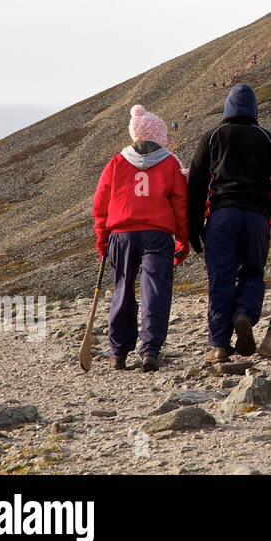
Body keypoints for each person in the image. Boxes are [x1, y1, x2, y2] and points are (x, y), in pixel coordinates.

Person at [187, 83, 271, 363]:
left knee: (220, 278)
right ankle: (244, 314)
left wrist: (194, 226)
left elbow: (196, 185)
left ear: (227, 108)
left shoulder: (212, 137)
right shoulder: (268, 139)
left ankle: (219, 346)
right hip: (257, 218)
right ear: (254, 109)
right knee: (251, 273)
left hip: (221, 216)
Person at [91, 105, 189, 372]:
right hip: (157, 235)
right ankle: (150, 350)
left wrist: (102, 238)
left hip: (121, 235)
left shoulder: (117, 162)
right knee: (155, 290)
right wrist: (183, 239)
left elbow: (100, 204)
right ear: (159, 136)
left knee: (123, 288)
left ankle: (118, 352)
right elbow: (181, 205)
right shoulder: (170, 163)